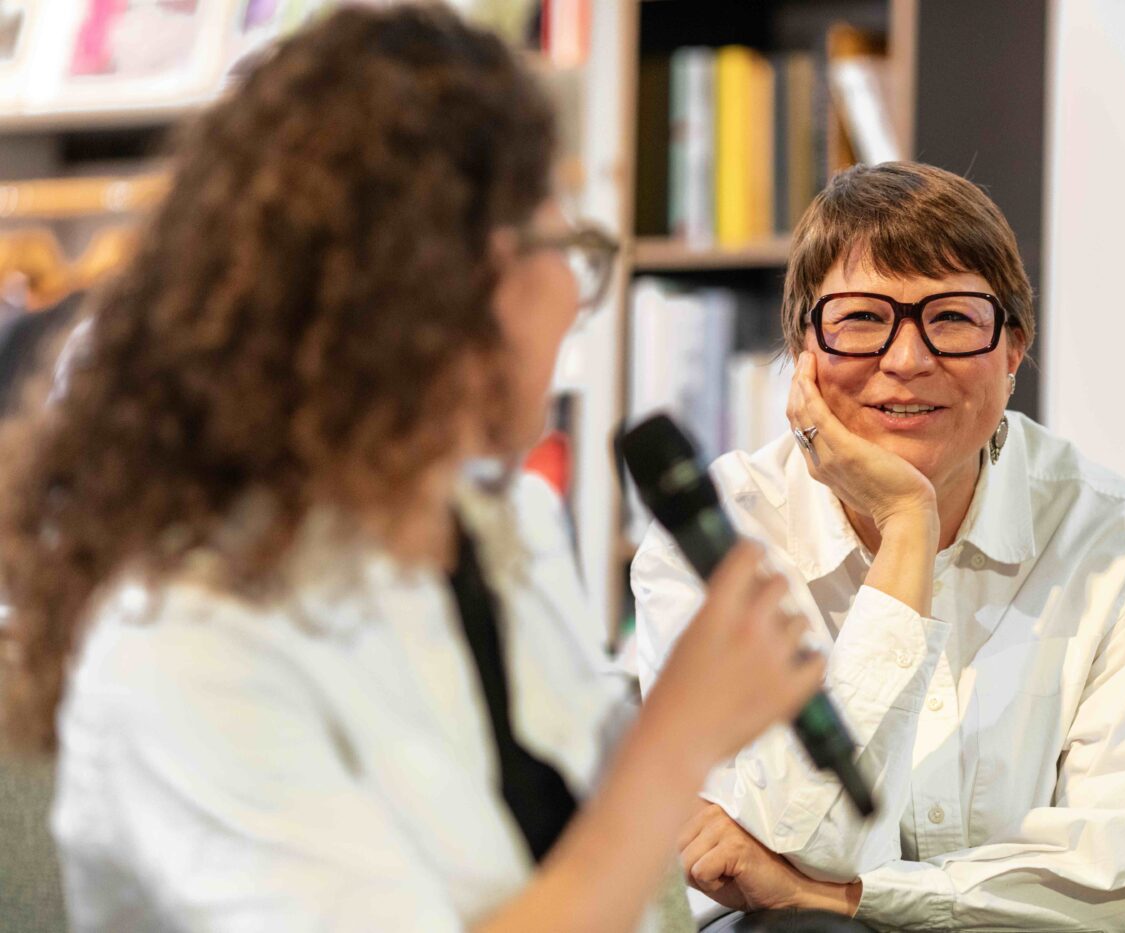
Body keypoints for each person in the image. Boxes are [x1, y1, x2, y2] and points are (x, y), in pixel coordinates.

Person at [0, 5, 825, 932]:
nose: (571, 301)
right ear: (441, 287)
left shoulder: (502, 534)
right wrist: (675, 743)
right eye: (567, 252)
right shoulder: (187, 642)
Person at [632, 161, 1125, 932]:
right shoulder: (717, 535)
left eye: (951, 317)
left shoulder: (1113, 534)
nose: (908, 359)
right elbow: (790, 846)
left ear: (1014, 349)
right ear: (800, 350)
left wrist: (850, 895)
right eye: (860, 317)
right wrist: (908, 532)